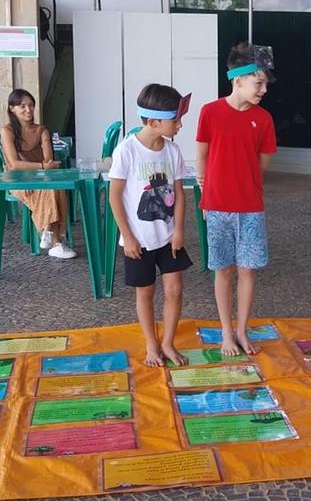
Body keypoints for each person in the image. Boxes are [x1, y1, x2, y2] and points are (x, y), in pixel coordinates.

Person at [195, 42, 278, 356]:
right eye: (259, 83)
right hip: (217, 206)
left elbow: (263, 163)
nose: (263, 89)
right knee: (223, 269)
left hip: (251, 208)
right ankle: (226, 332)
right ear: (238, 80)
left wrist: (246, 182)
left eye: (266, 84)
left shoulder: (264, 119)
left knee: (248, 270)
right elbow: (201, 154)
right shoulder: (210, 112)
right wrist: (205, 194)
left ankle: (242, 330)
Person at [109, 84, 193, 367]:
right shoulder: (127, 151)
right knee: (145, 292)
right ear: (154, 122)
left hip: (169, 238)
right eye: (176, 120)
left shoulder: (173, 151)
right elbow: (115, 196)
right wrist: (127, 236)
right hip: (139, 241)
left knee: (175, 289)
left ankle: (168, 343)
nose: (180, 125)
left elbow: (179, 193)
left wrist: (179, 230)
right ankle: (151, 344)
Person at [0, 88, 76, 259]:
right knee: (51, 187)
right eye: (23, 106)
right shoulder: (7, 131)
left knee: (54, 186)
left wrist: (44, 167)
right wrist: (41, 167)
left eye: (31, 106)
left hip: (41, 177)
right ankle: (55, 240)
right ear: (12, 108)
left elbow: (49, 160)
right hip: (17, 179)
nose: (28, 110)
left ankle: (49, 233)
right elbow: (14, 164)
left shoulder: (42, 130)